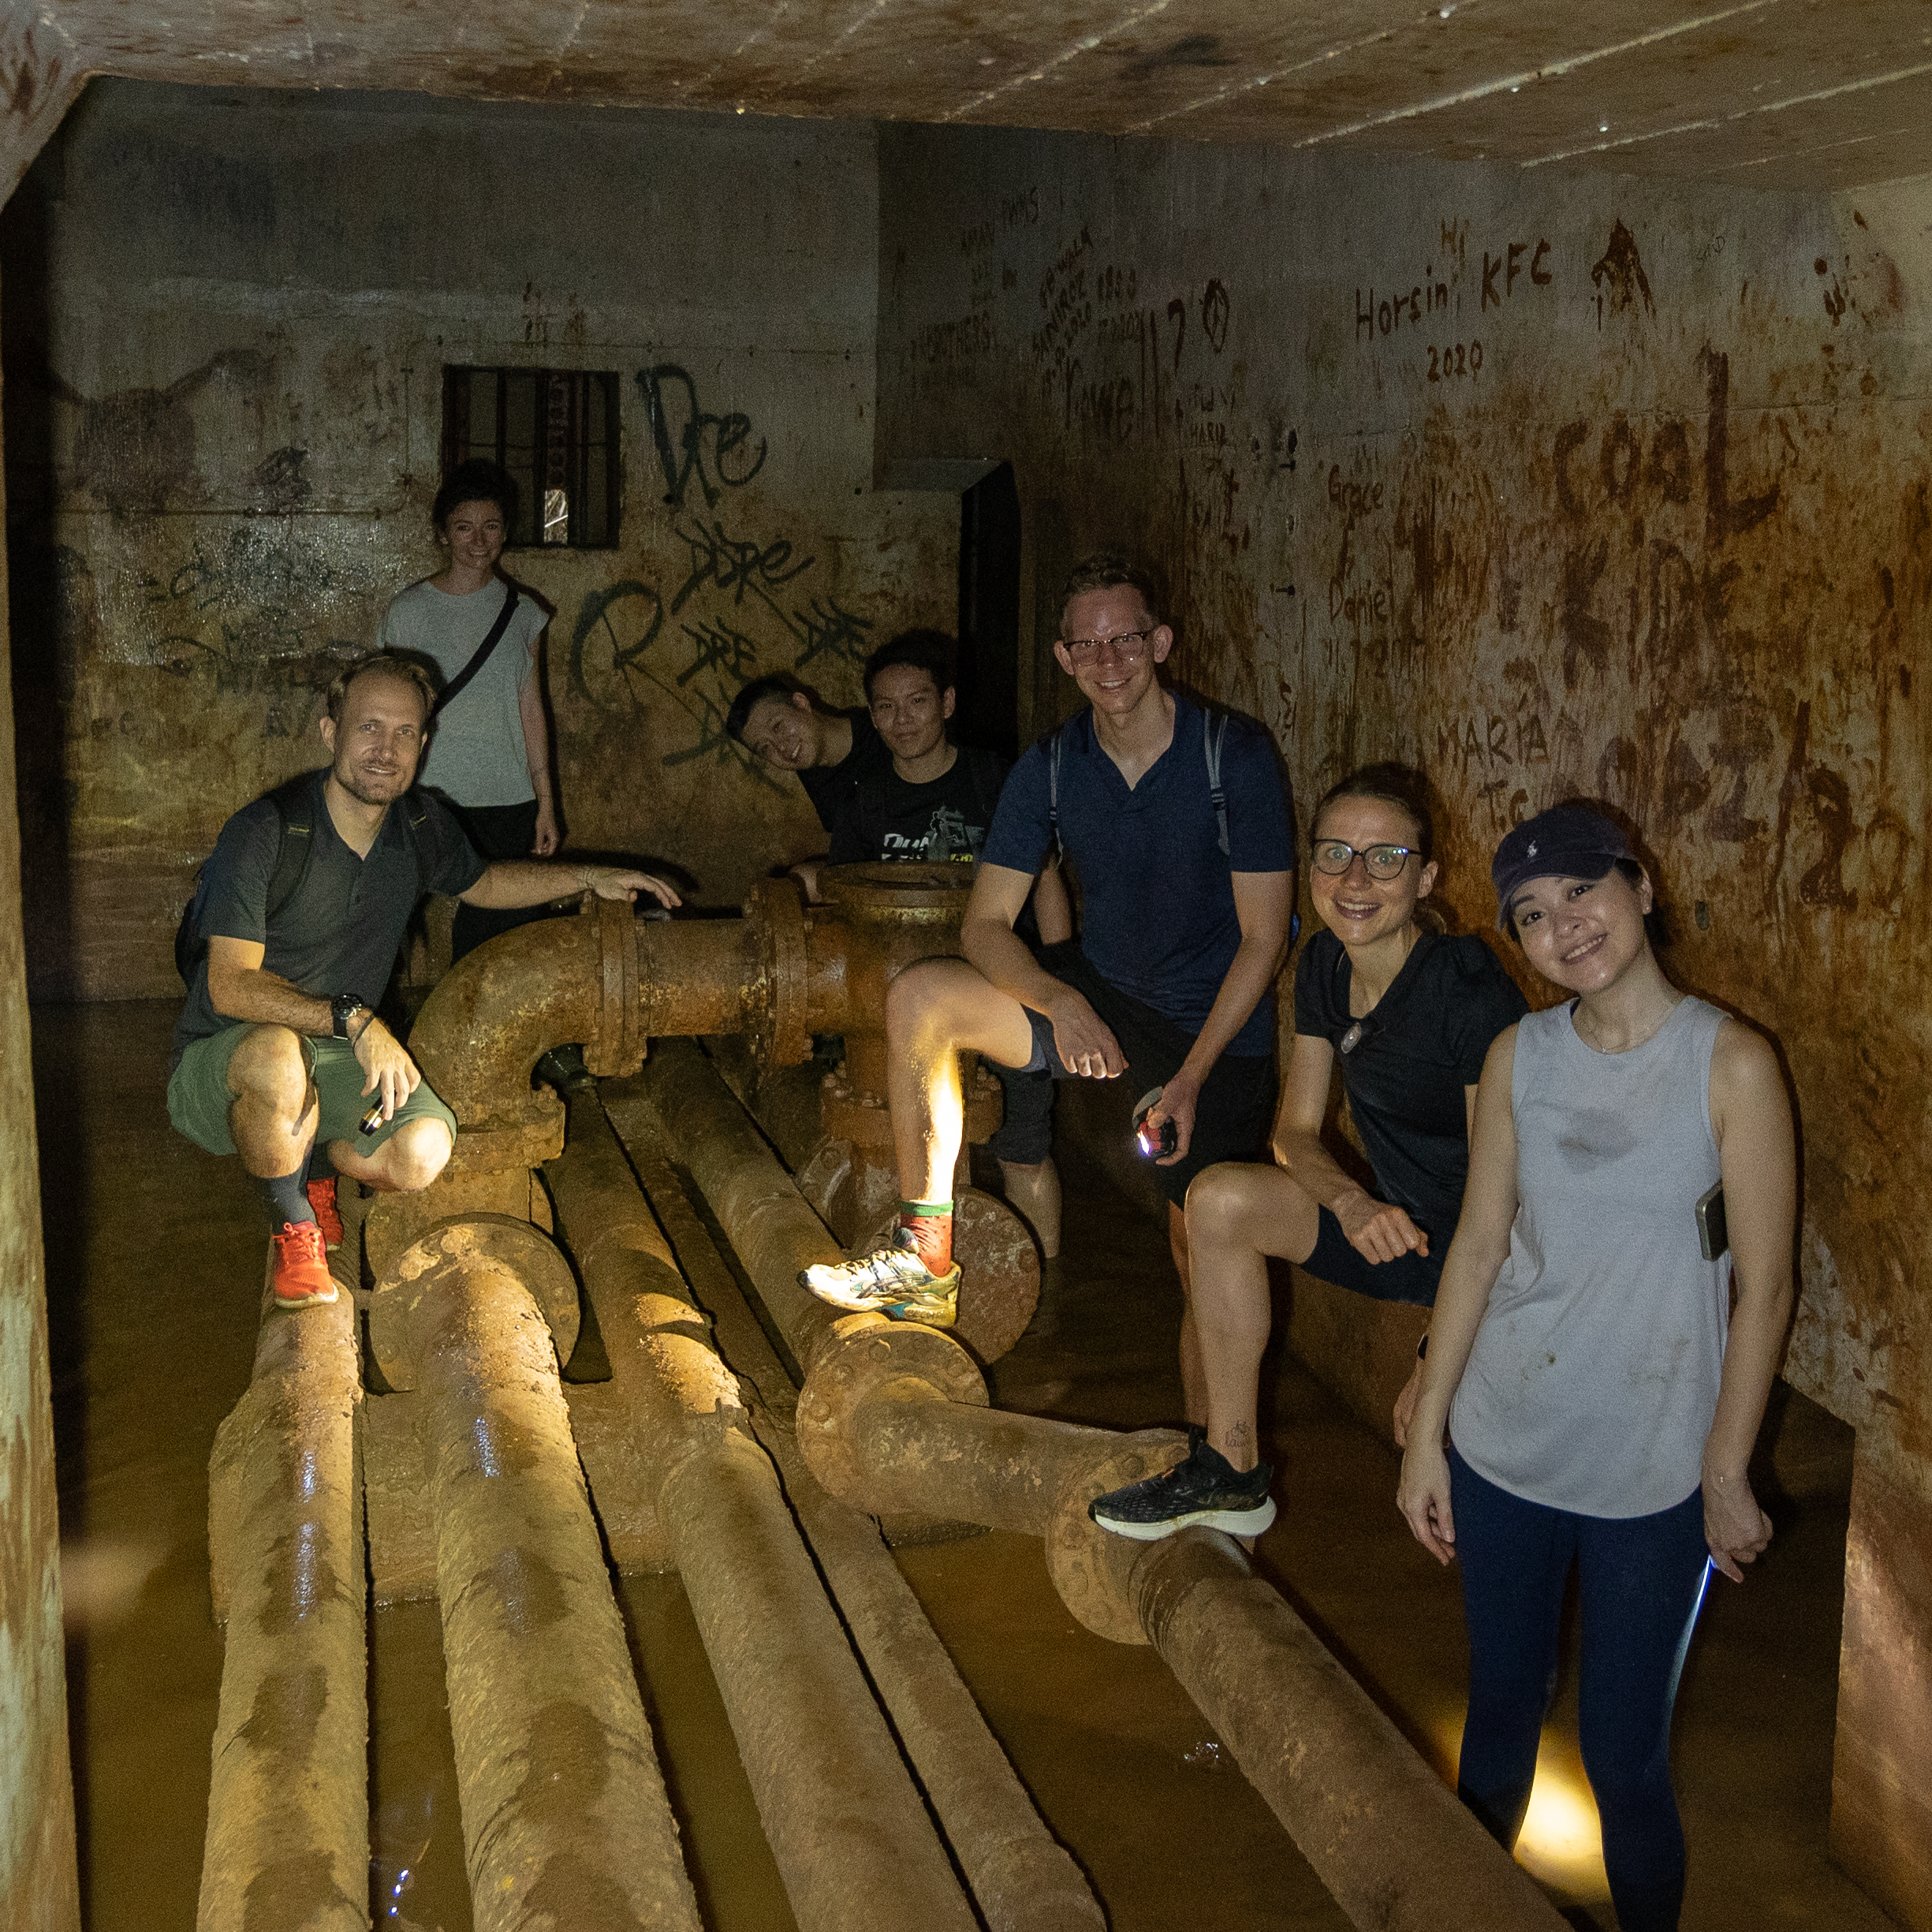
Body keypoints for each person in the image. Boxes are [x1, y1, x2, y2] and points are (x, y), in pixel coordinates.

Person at [1395, 803, 1796, 1932]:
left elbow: (1763, 1287)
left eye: (1579, 889)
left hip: (1655, 1465)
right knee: (1498, 1725)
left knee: (1623, 1761)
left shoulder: (1731, 1064)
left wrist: (1726, 1469)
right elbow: (1478, 1245)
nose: (1562, 925)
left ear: (1641, 884)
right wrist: (1427, 1433)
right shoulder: (1517, 1054)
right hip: (1504, 1435)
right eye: (1530, 912)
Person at [797, 554, 1295, 1330]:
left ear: (1159, 642)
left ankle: (1223, 1450)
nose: (1108, 662)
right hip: (1099, 989)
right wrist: (1058, 998)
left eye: (1125, 640)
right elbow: (984, 923)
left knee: (1199, 1252)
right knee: (921, 995)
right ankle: (922, 1257)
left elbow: (1263, 940)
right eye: (1087, 646)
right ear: (1063, 657)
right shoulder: (1051, 766)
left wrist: (1190, 1078)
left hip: (1210, 1034)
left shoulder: (1231, 755)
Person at [1088, 764, 1527, 1540]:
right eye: (1334, 854)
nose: (1355, 878)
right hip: (1392, 1228)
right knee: (1215, 1197)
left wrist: (1435, 1353)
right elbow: (1293, 1131)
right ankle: (1230, 1468)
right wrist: (1349, 1199)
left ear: (1424, 877)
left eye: (1384, 858)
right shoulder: (1325, 963)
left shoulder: (1466, 990)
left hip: (1496, 1254)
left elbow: (1512, 1193)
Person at [167, 653, 678, 1311]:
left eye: (405, 732)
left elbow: (486, 882)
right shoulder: (267, 831)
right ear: (330, 732)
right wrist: (357, 1020)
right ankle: (297, 1225)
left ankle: (317, 1157)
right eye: (369, 728)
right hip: (227, 1055)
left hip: (331, 1052)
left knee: (423, 1152)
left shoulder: (418, 825)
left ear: (424, 744)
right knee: (276, 1056)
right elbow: (230, 987)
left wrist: (588, 877)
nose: (386, 750)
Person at [826, 628, 1072, 1253]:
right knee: (917, 1144)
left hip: (1006, 982)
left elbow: (1045, 878)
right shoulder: (866, 798)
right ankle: (921, 1260)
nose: (901, 719)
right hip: (909, 997)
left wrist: (1062, 976)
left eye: (916, 701)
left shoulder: (996, 780)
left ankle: (1045, 1287)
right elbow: (845, 896)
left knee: (1024, 1151)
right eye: (884, 707)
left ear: (947, 704)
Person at [377, 458, 560, 962]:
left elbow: (531, 709)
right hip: (427, 792)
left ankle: (483, 1037)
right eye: (464, 528)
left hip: (507, 796)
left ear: (505, 533)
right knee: (384, 920)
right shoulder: (410, 611)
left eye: (492, 527)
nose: (479, 541)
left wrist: (545, 802)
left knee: (498, 940)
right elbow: (385, 705)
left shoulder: (524, 614)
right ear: (442, 533)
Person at [725, 672, 894, 859]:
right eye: (765, 748)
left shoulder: (885, 731)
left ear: (801, 703)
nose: (781, 747)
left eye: (778, 726)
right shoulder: (811, 772)